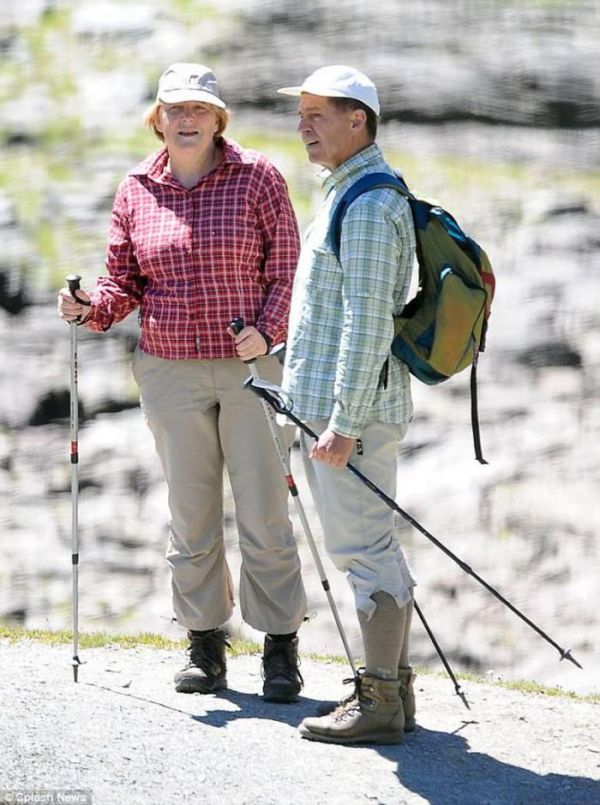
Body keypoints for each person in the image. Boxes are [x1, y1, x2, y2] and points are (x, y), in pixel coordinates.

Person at [58, 62, 306, 703]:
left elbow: (287, 271)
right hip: (168, 370)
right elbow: (123, 285)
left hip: (251, 366)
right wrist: (90, 309)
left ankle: (280, 649)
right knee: (190, 513)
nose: (187, 118)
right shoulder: (136, 188)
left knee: (263, 510)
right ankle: (205, 646)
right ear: (158, 119)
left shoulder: (259, 178)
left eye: (199, 108)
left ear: (219, 118)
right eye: (175, 109)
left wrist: (268, 329)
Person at [276, 65, 417, 743]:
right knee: (371, 546)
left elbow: (369, 325)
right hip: (340, 410)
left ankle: (380, 699)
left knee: (365, 549)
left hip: (349, 417)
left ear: (357, 119)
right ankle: (391, 688)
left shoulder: (364, 204)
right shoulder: (350, 193)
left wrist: (344, 422)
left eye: (316, 115)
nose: (302, 127)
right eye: (299, 115)